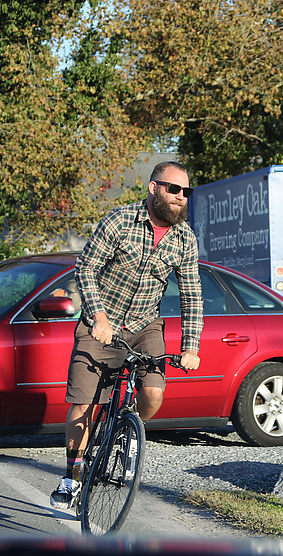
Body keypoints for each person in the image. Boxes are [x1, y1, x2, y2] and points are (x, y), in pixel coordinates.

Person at [50, 161, 204, 509]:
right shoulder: (118, 222)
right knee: (84, 403)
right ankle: (71, 478)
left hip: (146, 325)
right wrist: (99, 317)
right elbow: (86, 268)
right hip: (101, 324)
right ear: (153, 188)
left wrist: (190, 346)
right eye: (173, 189)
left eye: (186, 192)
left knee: (153, 393)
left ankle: (129, 428)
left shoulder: (185, 239)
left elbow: (191, 295)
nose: (180, 197)